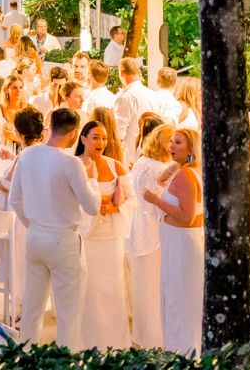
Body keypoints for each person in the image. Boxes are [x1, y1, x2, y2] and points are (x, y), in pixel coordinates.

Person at [8, 108, 102, 350]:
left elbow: (14, 199)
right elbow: (92, 207)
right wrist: (93, 179)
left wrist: (34, 225)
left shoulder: (27, 155)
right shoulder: (71, 162)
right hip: (63, 239)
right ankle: (65, 360)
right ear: (73, 133)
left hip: (36, 235)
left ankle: (26, 355)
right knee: (68, 311)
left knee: (32, 307)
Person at [143, 128, 204, 357]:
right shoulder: (186, 171)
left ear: (191, 148)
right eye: (171, 142)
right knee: (176, 298)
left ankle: (184, 352)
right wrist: (177, 162)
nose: (171, 146)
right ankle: (180, 350)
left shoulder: (186, 175)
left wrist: (155, 200)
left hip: (182, 245)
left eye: (178, 143)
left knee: (181, 301)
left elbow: (187, 215)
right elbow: (161, 179)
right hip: (177, 243)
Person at [73, 120, 132, 349]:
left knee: (113, 289)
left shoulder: (117, 166)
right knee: (88, 291)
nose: (101, 142)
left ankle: (115, 345)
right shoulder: (75, 165)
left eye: (104, 138)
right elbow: (70, 202)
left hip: (111, 238)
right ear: (84, 139)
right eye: (95, 137)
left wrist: (117, 208)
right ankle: (88, 345)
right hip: (86, 238)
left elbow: (133, 199)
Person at [128, 123, 174, 349]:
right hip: (153, 233)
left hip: (138, 229)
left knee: (143, 289)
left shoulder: (141, 163)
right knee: (154, 290)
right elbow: (159, 204)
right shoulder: (158, 169)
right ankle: (155, 341)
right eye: (172, 141)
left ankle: (144, 337)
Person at [114, 57, 156, 161]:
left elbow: (119, 133)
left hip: (131, 156)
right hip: (151, 152)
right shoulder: (153, 94)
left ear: (122, 73)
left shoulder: (125, 97)